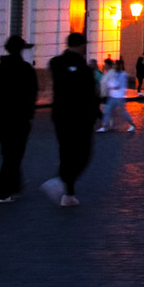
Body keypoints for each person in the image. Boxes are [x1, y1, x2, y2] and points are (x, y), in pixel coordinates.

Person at [43, 32, 99, 207]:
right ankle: (62, 183)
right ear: (82, 46)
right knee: (83, 153)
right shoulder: (82, 68)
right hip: (80, 117)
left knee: (66, 153)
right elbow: (89, 94)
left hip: (61, 115)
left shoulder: (56, 63)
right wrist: (97, 113)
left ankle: (68, 194)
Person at [0, 35, 38, 202]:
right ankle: (2, 191)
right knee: (14, 155)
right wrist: (28, 112)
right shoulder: (26, 69)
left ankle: (14, 184)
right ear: (21, 49)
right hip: (20, 117)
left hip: (2, 117)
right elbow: (32, 92)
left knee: (8, 151)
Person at [99, 60, 135, 131]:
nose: (115, 66)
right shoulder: (113, 74)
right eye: (114, 65)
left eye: (116, 65)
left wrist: (109, 84)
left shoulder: (122, 74)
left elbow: (117, 85)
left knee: (123, 113)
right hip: (112, 96)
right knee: (107, 111)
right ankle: (104, 126)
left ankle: (132, 124)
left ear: (120, 66)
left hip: (120, 97)